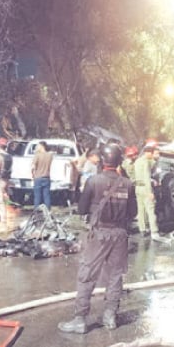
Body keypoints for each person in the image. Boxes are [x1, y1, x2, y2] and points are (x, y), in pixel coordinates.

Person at [58, 143, 137, 334]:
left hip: (99, 234)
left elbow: (82, 209)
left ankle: (80, 319)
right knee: (115, 276)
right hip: (119, 235)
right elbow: (133, 212)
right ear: (119, 161)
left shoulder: (93, 181)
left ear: (102, 160)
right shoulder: (128, 184)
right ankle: (110, 315)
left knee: (87, 275)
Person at [133, 140, 159, 238]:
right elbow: (147, 178)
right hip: (145, 187)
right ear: (148, 152)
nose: (152, 155)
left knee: (141, 209)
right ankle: (154, 231)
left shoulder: (138, 161)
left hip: (137, 188)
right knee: (150, 209)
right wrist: (150, 192)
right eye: (151, 153)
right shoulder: (146, 163)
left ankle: (142, 229)